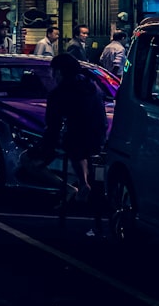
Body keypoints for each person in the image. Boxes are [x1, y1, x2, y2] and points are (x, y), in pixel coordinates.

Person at [34, 53, 108, 205]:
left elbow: (52, 126)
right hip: (97, 139)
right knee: (80, 151)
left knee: (27, 162)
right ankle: (83, 183)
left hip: (76, 142)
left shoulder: (59, 93)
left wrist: (46, 151)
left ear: (59, 72)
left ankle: (69, 187)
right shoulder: (92, 87)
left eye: (52, 71)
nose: (51, 75)